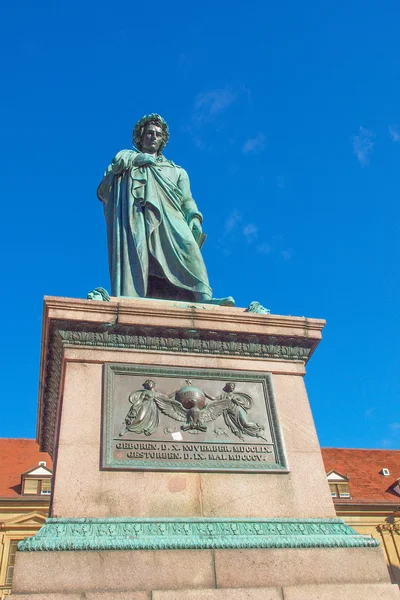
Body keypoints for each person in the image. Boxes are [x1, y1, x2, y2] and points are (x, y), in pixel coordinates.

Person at [97, 114, 234, 305]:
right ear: (141, 136)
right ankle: (135, 298)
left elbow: (187, 199)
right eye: (149, 133)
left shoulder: (178, 171)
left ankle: (204, 297)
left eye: (158, 134)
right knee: (138, 254)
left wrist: (194, 218)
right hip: (137, 218)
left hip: (171, 217)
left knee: (188, 247)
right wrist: (135, 161)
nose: (153, 136)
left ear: (163, 140)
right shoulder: (127, 160)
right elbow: (105, 189)